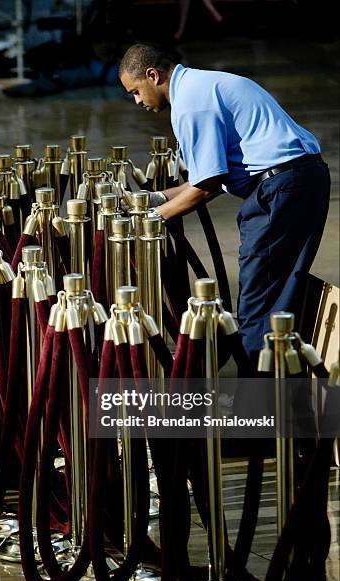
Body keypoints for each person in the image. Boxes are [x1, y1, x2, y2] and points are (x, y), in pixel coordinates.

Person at [119, 44, 330, 361]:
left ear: (153, 75)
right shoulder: (201, 85)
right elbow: (211, 179)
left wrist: (143, 222)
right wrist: (154, 199)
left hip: (280, 189)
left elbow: (205, 188)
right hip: (303, 179)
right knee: (281, 293)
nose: (137, 101)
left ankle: (259, 400)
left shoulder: (190, 104)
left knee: (258, 305)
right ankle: (289, 393)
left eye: (136, 91)